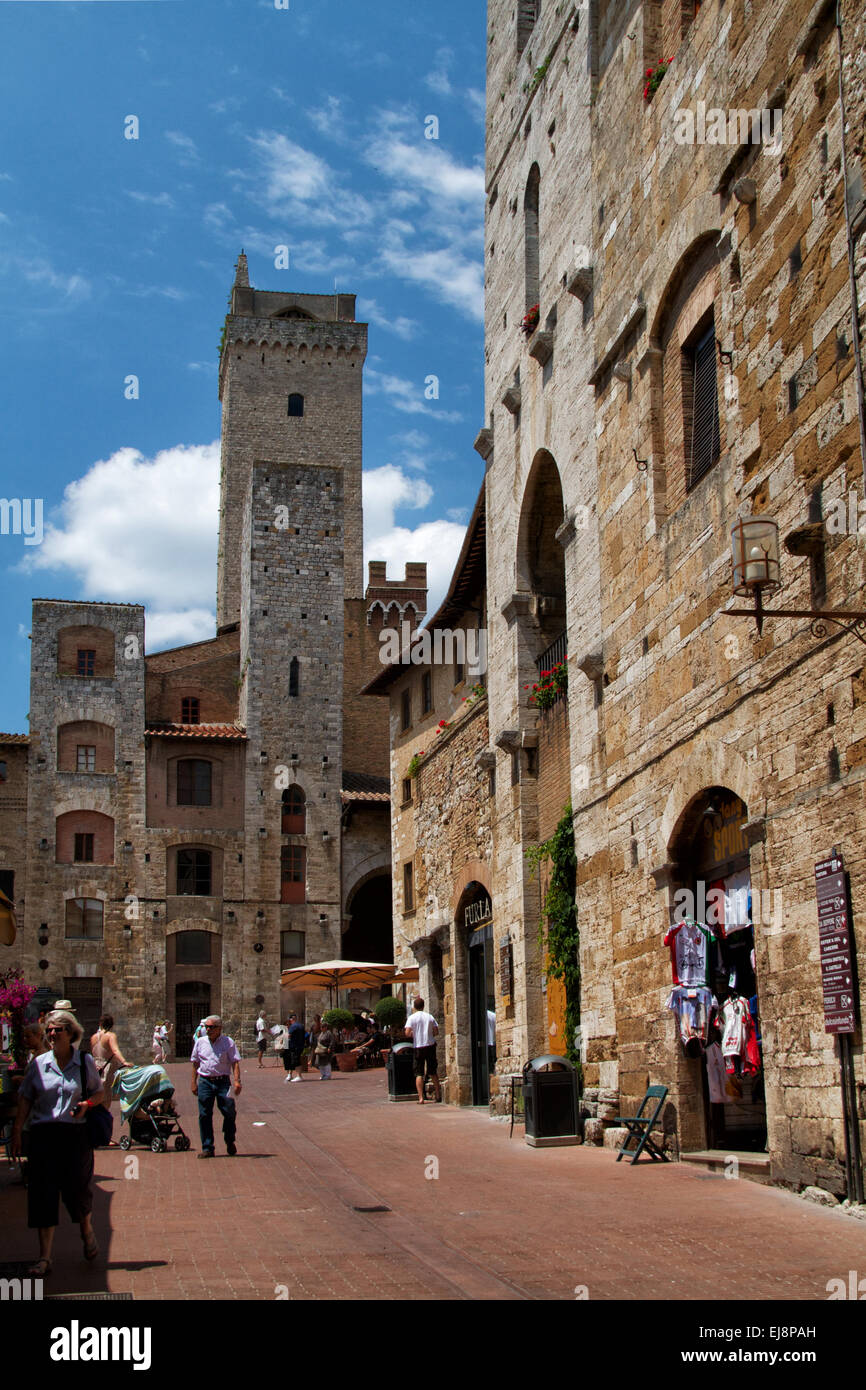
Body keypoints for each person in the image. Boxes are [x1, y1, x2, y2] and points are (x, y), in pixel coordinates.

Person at [10, 1009, 104, 1276]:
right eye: (49, 1030)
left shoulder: (84, 1062)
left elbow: (99, 1092)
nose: (51, 1034)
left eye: (57, 1030)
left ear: (70, 1033)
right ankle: (45, 1257)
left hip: (75, 1135)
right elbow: (26, 1097)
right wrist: (18, 1129)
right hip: (43, 1134)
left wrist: (86, 1104)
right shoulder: (38, 1064)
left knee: (77, 1190)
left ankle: (86, 1231)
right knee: (42, 1193)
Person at [190, 1015, 242, 1157]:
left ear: (220, 1028)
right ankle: (207, 1147)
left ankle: (229, 1140)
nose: (208, 1029)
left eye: (211, 1027)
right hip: (205, 1081)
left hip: (223, 1082)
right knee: (204, 1114)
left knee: (229, 1111)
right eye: (206, 1027)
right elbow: (195, 1063)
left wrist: (237, 1081)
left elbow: (235, 1062)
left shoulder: (228, 1042)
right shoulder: (200, 1042)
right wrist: (193, 1082)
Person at [90, 1015, 131, 1117]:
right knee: (106, 1097)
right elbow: (115, 1050)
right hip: (107, 1068)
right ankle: (102, 1121)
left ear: (100, 1023)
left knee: (96, 1095)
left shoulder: (93, 1037)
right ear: (111, 1025)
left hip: (95, 1068)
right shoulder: (110, 1036)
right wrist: (124, 1061)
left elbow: (92, 1053)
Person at [404, 996, 441, 1104]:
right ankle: (438, 1095)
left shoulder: (412, 1018)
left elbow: (407, 1033)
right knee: (433, 1071)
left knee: (419, 1072)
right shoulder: (429, 1017)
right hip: (430, 1045)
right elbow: (436, 1031)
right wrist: (429, 1034)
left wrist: (414, 1034)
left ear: (414, 1007)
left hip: (418, 1046)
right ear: (423, 1006)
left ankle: (421, 1098)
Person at [286, 1013, 305, 1082]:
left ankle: (299, 1076)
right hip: (301, 1046)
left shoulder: (293, 1026)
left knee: (296, 1061)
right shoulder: (301, 1025)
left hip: (295, 1046)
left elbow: (289, 1035)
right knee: (297, 1060)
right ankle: (298, 1075)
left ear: (291, 1019)